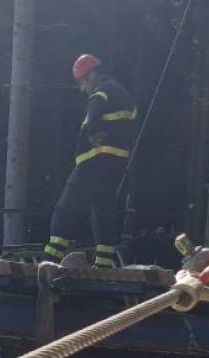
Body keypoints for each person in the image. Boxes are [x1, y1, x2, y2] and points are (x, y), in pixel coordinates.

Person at [44, 54, 137, 268]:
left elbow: (93, 113)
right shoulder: (123, 93)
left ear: (91, 75)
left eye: (82, 82)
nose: (81, 88)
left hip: (94, 157)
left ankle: (51, 258)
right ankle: (104, 261)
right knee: (103, 207)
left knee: (67, 206)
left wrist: (91, 131)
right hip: (117, 161)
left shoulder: (101, 89)